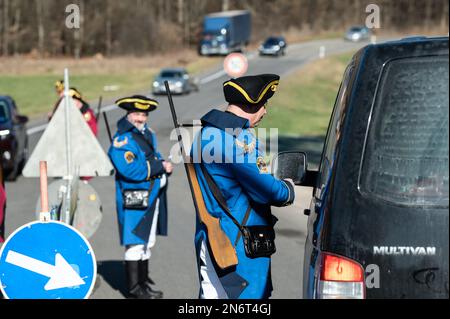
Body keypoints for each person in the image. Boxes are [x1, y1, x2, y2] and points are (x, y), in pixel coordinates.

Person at [191, 74, 296, 299]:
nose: (265, 112)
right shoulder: (239, 141)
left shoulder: (203, 135)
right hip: (238, 243)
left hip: (210, 238)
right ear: (252, 104)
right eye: (263, 105)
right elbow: (267, 190)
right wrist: (288, 189)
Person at [108, 95, 173, 299]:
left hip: (152, 195)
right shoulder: (122, 140)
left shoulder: (148, 134)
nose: (141, 118)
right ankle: (135, 289)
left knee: (146, 241)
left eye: (144, 115)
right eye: (137, 114)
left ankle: (143, 284)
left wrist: (164, 164)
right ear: (128, 114)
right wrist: (159, 167)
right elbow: (131, 170)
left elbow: (153, 156)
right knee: (135, 241)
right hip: (135, 197)